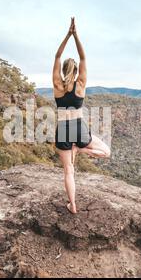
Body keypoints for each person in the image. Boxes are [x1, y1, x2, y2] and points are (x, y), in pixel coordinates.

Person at [53, 17, 111, 215]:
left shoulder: (57, 85)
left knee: (69, 170)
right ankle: (82, 149)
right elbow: (84, 58)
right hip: (78, 128)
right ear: (77, 70)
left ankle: (73, 204)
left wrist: (67, 35)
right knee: (106, 152)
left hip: (62, 130)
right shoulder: (81, 84)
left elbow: (57, 56)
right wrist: (76, 35)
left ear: (62, 70)